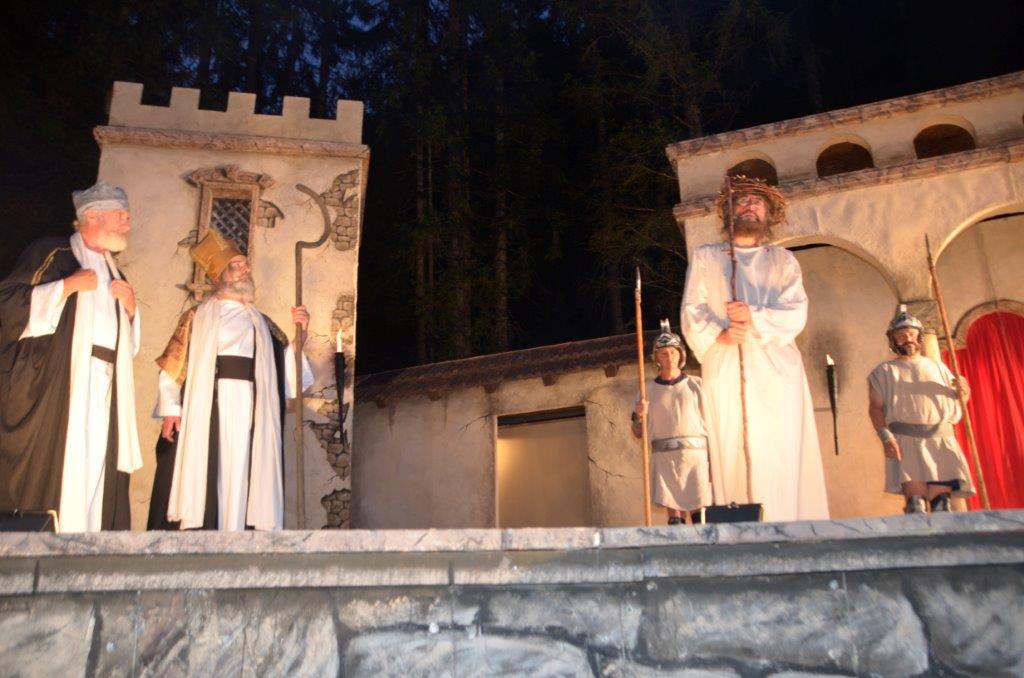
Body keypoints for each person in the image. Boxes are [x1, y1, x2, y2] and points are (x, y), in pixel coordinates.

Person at [681, 175, 828, 522]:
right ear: (728, 212)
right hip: (726, 365)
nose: (749, 206)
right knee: (732, 444)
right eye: (742, 200)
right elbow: (692, 309)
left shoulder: (783, 261)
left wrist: (753, 317)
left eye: (757, 202)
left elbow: (796, 311)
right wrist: (720, 335)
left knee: (778, 447)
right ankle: (740, 524)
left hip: (775, 371)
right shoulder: (706, 257)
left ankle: (787, 523)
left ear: (768, 214)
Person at [0, 181, 143, 532]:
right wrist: (67, 286)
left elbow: (126, 344)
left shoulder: (116, 272)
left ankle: (89, 539)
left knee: (96, 463)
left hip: (106, 388)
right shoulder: (53, 252)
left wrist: (130, 311)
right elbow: (8, 305)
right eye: (121, 215)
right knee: (66, 460)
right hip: (61, 385)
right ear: (91, 216)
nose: (127, 224)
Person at [149, 229, 313, 531]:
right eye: (236, 265)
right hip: (211, 408)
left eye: (246, 265)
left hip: (252, 410)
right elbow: (173, 366)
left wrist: (299, 339)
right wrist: (171, 408)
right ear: (218, 276)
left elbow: (287, 379)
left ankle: (242, 536)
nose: (245, 270)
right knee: (212, 470)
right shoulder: (197, 317)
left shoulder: (263, 324)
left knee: (244, 470)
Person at [868, 306, 975, 514]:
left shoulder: (939, 367)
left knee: (942, 506)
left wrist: (964, 391)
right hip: (906, 441)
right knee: (915, 505)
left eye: (911, 334)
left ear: (919, 337)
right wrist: (886, 437)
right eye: (901, 335)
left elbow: (955, 404)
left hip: (940, 441)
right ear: (893, 340)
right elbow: (875, 408)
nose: (907, 338)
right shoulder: (884, 371)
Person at [631, 320, 710, 525]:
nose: (669, 357)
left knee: (700, 514)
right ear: (656, 358)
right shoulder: (646, 391)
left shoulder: (697, 385)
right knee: (675, 515)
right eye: (664, 353)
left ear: (681, 355)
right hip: (665, 458)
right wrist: (639, 416)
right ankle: (678, 545)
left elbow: (712, 422)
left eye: (673, 352)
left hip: (695, 457)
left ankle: (704, 545)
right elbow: (637, 432)